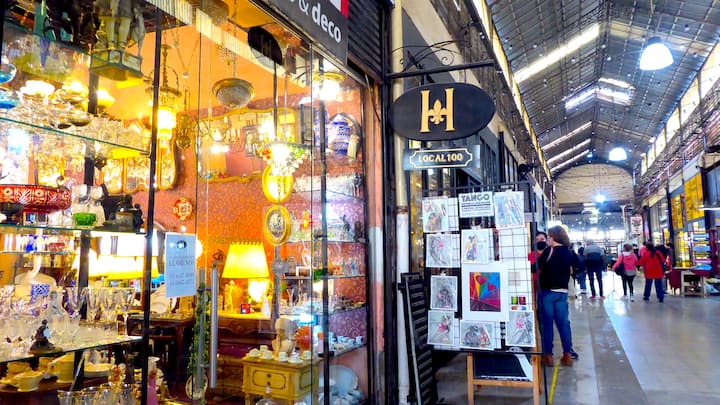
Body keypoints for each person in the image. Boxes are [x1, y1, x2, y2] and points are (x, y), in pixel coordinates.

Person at [537, 226, 579, 367]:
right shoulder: (568, 252)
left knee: (547, 324)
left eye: (548, 237)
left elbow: (535, 267)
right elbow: (580, 265)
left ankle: (548, 356)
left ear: (553, 237)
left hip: (548, 293)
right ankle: (567, 355)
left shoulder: (549, 251)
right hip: (562, 293)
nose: (547, 240)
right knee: (563, 324)